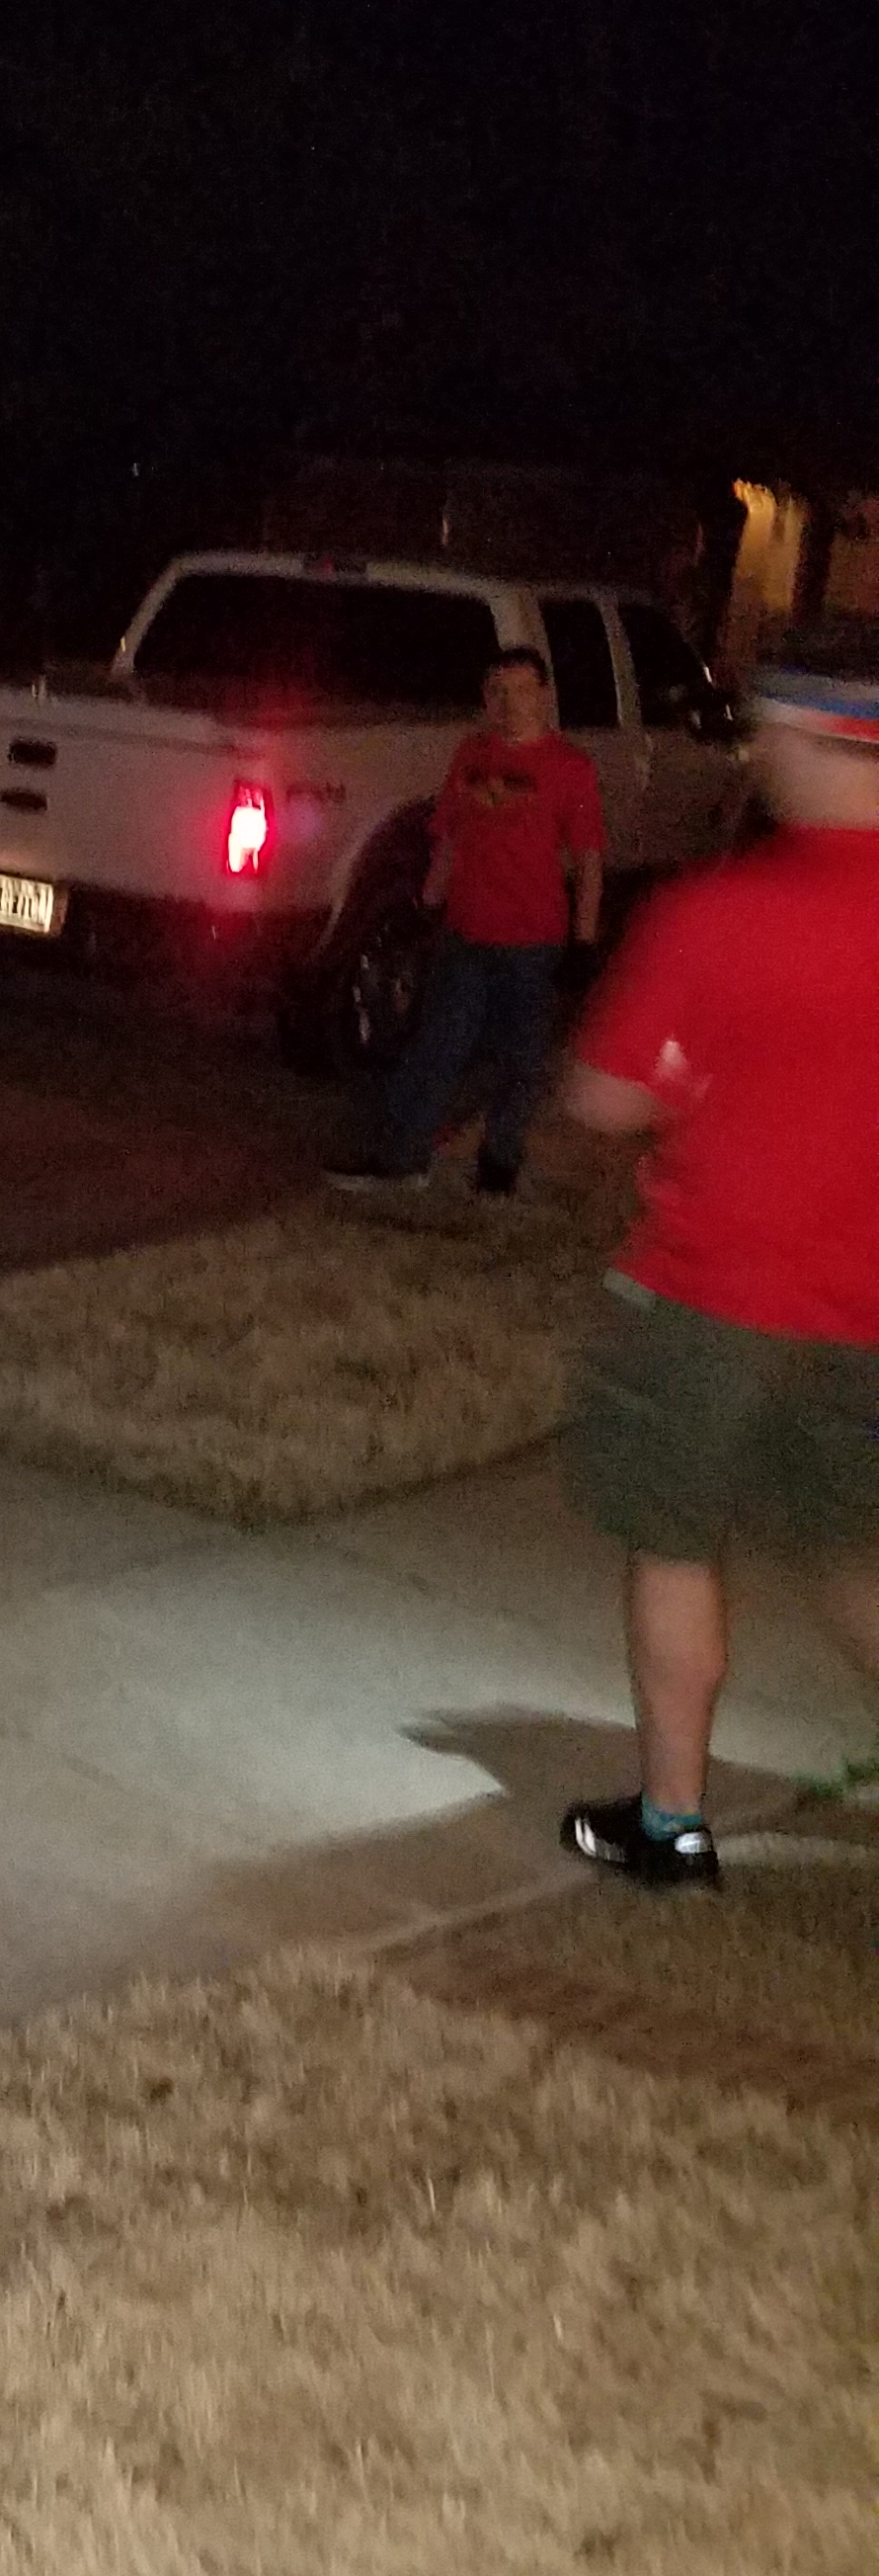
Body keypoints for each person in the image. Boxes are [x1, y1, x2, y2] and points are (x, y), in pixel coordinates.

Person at [553, 630, 879, 1886]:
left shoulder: (718, 911)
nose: (755, 758)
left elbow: (602, 1098)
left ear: (812, 741)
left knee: (676, 1542)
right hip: (866, 1313)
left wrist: (689, 1080)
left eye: (765, 735)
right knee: (857, 1556)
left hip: (710, 1296)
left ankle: (671, 1824)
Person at [328, 645, 604, 1198]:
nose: (510, 703)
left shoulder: (570, 767)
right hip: (466, 934)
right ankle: (401, 1158)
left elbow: (589, 858)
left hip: (533, 941)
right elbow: (449, 838)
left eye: (522, 690)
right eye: (498, 691)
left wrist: (584, 940)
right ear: (485, 697)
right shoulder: (471, 755)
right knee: (436, 1049)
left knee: (520, 1059)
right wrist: (427, 904)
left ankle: (499, 1162)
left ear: (544, 696)